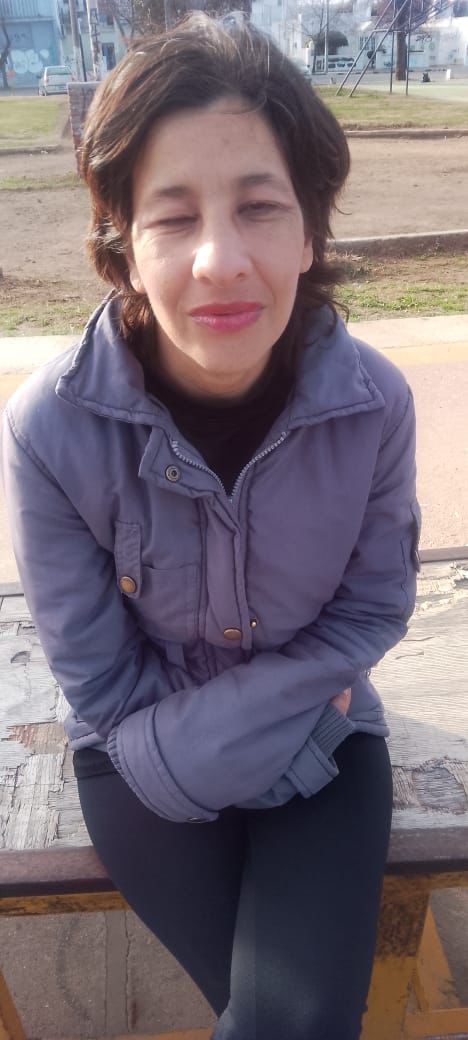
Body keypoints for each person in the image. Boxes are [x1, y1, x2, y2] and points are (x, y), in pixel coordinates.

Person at [1, 14, 421, 1039]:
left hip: (327, 737)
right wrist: (254, 721)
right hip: (137, 750)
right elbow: (101, 681)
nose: (220, 259)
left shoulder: (376, 405)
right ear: (122, 243)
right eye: (173, 216)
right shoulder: (49, 428)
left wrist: (273, 711)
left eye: (260, 207)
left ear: (310, 231)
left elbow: (372, 609)